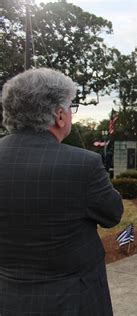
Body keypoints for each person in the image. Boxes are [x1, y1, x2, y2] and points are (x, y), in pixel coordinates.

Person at [0, 68, 124, 315]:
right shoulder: (84, 164)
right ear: (59, 115)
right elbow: (113, 215)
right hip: (73, 301)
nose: (70, 114)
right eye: (70, 107)